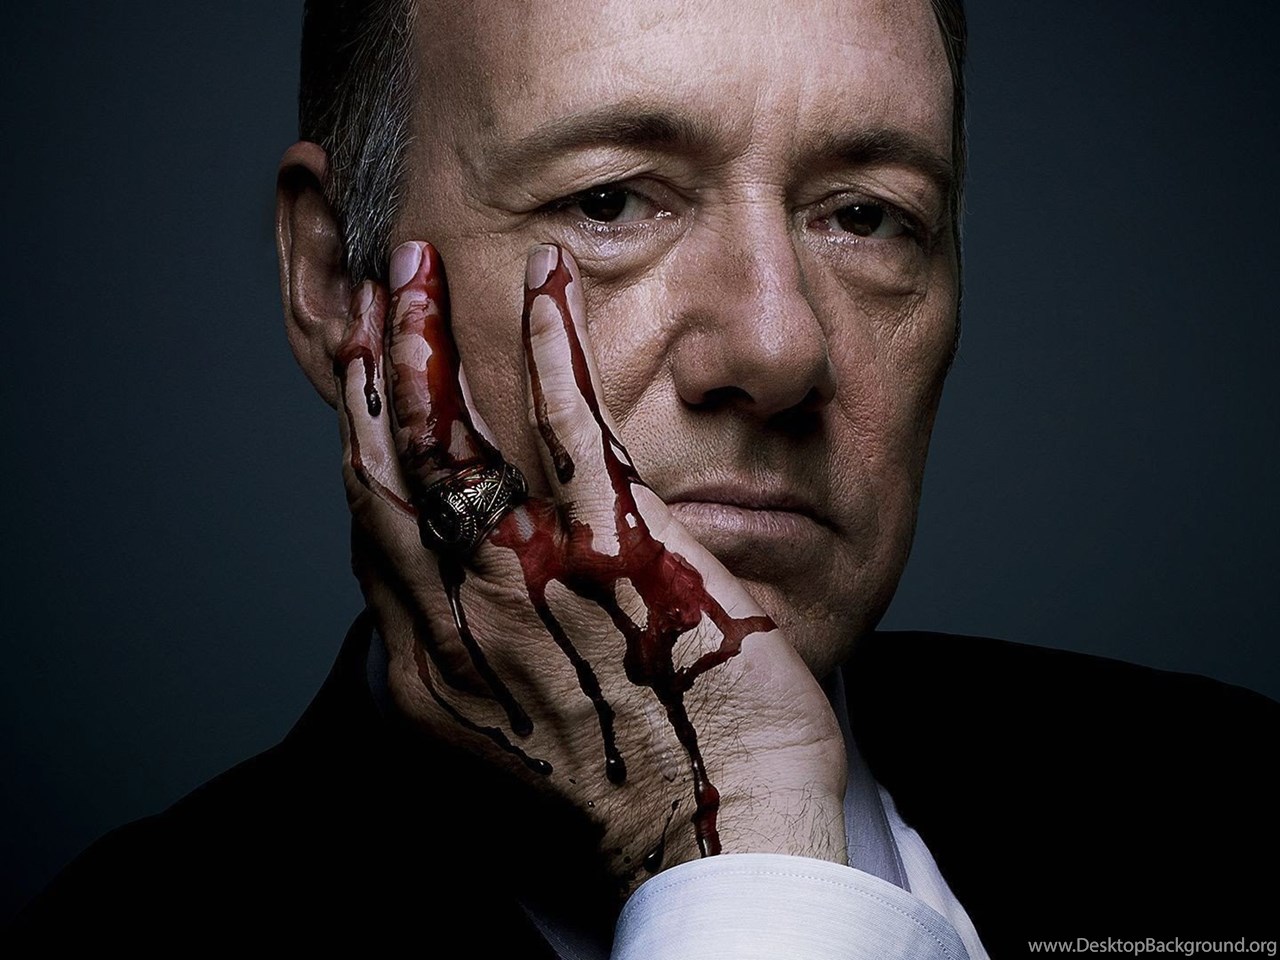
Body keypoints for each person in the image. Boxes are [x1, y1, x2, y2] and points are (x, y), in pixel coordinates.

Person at [12, 0, 1278, 955]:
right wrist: (750, 867)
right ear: (338, 282)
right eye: (611, 201)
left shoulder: (1227, 808)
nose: (777, 347)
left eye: (864, 215)